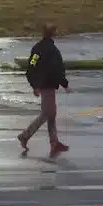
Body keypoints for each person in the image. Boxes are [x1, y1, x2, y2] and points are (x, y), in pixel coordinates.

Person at [17, 23, 70, 154]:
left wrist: (34, 84)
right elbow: (56, 69)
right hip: (49, 85)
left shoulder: (37, 49)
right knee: (47, 114)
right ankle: (25, 135)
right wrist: (65, 84)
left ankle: (54, 142)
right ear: (53, 33)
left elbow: (32, 66)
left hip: (42, 85)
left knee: (51, 114)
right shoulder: (52, 50)